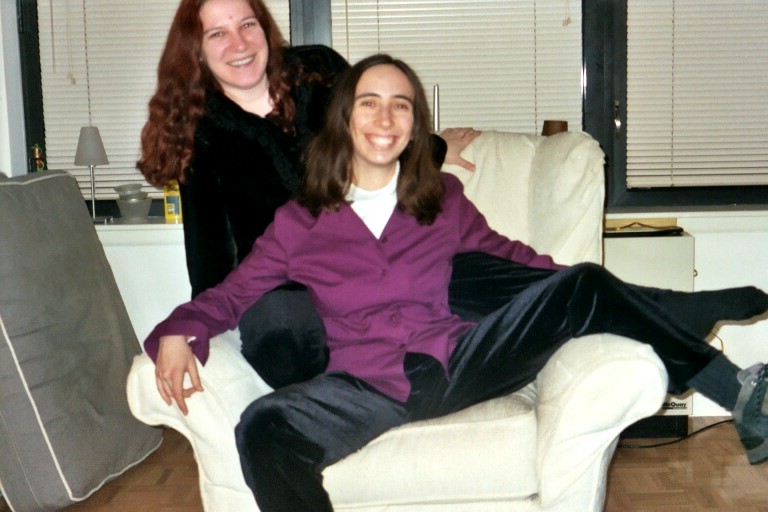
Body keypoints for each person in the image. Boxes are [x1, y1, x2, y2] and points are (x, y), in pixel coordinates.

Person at [145, 53, 768, 511]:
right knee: (262, 427)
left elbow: (517, 264)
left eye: (401, 104)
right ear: (344, 119)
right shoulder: (299, 220)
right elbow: (233, 292)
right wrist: (177, 330)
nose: (385, 116)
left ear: (415, 124)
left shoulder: (442, 197)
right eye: (369, 102)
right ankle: (682, 314)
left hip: (457, 362)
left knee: (579, 283)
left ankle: (737, 393)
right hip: (363, 384)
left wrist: (616, 299)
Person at [136, 0, 481, 390]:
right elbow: (209, 254)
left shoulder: (320, 71)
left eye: (247, 25)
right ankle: (335, 400)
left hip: (367, 257)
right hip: (285, 288)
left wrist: (435, 147)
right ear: (196, 50)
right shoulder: (199, 135)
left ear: (264, 28)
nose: (239, 44)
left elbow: (379, 128)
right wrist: (190, 324)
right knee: (283, 326)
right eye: (218, 34)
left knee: (467, 277)